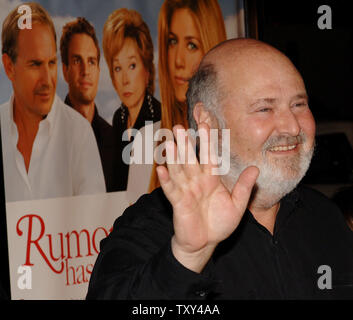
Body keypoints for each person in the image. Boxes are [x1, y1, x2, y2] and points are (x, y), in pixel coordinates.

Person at [86, 38, 353, 300]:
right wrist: (188, 257)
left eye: (299, 104)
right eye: (264, 108)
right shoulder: (153, 227)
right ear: (208, 120)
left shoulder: (324, 216)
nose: (293, 127)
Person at [0, 2, 105, 202]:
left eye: (51, 63)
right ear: (9, 67)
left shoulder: (79, 133)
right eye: (35, 64)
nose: (48, 80)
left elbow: (94, 226)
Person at [148, 0, 227, 191]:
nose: (178, 60)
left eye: (192, 45)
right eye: (172, 42)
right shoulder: (144, 140)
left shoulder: (235, 142)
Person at [102, 8, 161, 191]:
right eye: (118, 68)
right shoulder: (119, 118)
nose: (125, 80)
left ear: (147, 68)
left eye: (132, 65)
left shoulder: (160, 117)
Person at [60, 17, 117, 192]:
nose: (86, 71)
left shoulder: (115, 140)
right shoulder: (45, 136)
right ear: (65, 70)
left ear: (99, 70)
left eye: (91, 61)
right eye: (77, 61)